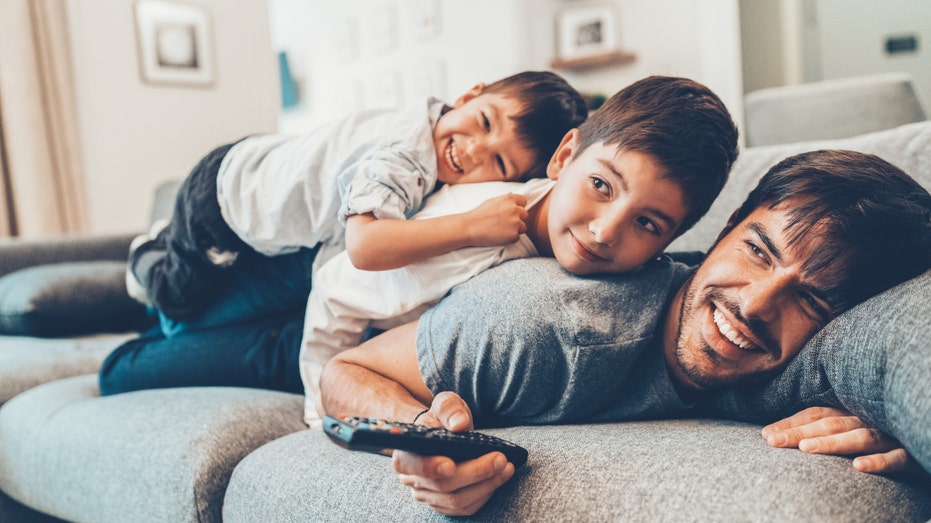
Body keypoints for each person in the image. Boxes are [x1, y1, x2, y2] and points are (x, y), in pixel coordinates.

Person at [318, 149, 931, 516]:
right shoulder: (539, 320)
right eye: (757, 251)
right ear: (723, 231)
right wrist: (422, 432)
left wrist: (899, 427)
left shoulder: (813, 369)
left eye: (813, 298)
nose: (755, 304)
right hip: (344, 285)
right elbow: (344, 369)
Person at [299, 75, 741, 426]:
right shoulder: (473, 226)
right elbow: (338, 291)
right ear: (564, 157)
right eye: (601, 185)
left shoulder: (634, 280)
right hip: (321, 302)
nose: (605, 232)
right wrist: (318, 412)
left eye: (647, 223)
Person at [128, 71, 588, 336]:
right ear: (470, 95)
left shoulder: (422, 123)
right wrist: (471, 226)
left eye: (500, 162)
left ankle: (167, 238)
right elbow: (365, 247)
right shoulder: (403, 157)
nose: (472, 151)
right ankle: (142, 257)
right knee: (180, 296)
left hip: (249, 161)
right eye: (484, 122)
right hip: (225, 207)